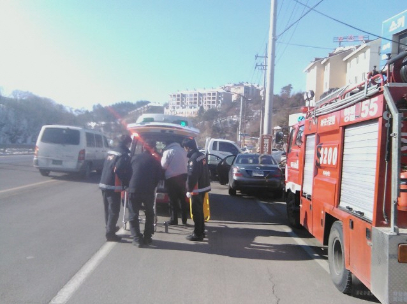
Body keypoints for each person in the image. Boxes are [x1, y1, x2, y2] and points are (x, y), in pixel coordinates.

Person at [127, 139, 162, 246]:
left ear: (143, 147)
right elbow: (159, 177)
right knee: (149, 213)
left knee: (133, 213)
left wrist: (127, 185)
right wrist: (153, 186)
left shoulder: (134, 158)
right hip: (148, 191)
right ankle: (147, 237)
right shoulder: (156, 160)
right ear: (153, 148)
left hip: (134, 189)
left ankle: (136, 238)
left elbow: (129, 173)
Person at [99, 134, 132, 242]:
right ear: (128, 143)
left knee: (107, 209)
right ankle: (110, 234)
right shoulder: (123, 154)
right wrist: (126, 182)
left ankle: (110, 227)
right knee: (114, 210)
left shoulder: (112, 151)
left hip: (104, 183)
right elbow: (119, 169)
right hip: (113, 185)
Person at [182, 137, 211, 241]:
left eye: (185, 147)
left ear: (188, 147)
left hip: (196, 189)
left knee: (196, 212)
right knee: (200, 211)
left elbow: (192, 175)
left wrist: (189, 190)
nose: (185, 149)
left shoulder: (193, 158)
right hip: (203, 187)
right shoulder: (201, 155)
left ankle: (197, 234)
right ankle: (201, 231)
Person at [161, 140, 189, 225]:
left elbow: (163, 165)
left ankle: (174, 219)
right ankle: (184, 220)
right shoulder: (184, 151)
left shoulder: (168, 151)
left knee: (173, 200)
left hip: (172, 179)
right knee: (183, 200)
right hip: (183, 178)